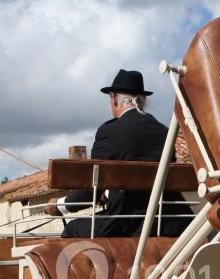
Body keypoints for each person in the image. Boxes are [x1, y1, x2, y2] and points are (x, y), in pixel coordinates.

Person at [59, 69, 188, 238]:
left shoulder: (110, 132)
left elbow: (92, 188)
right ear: (143, 100)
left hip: (129, 224)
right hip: (172, 221)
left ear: (114, 99)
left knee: (72, 230)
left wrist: (60, 205)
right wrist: (108, 195)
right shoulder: (164, 132)